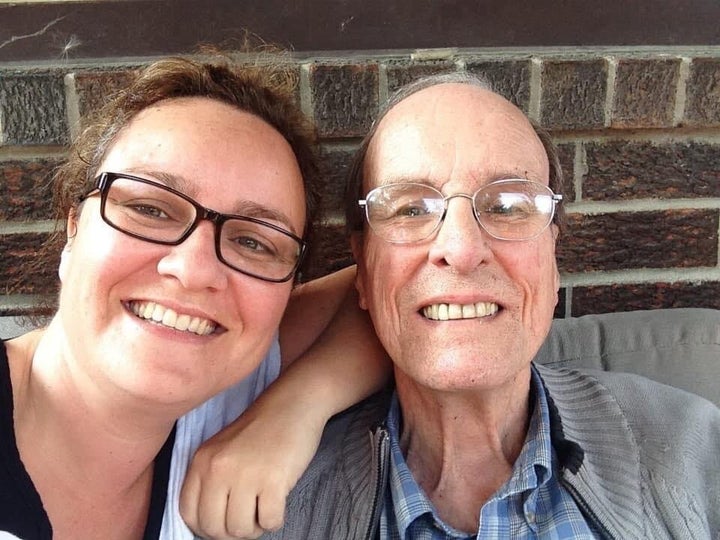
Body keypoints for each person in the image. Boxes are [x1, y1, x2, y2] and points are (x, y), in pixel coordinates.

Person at [185, 72, 720, 539]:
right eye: (411, 208)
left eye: (509, 205)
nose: (461, 250)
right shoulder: (271, 503)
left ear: (554, 257)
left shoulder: (692, 445)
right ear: (362, 273)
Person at [0, 53, 389, 540]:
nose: (192, 269)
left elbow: (399, 292)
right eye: (150, 208)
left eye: (254, 242)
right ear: (73, 231)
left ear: (287, 291)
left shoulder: (223, 392)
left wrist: (294, 409)